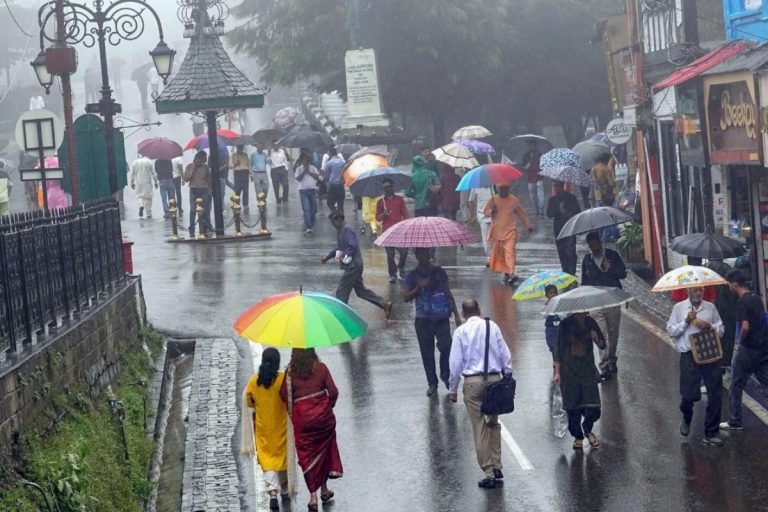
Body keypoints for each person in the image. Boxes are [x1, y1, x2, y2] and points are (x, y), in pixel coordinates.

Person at [448, 299, 512, 489]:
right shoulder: (492, 326)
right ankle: (498, 465)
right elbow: (504, 354)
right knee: (493, 423)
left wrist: (453, 389)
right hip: (495, 381)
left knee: (479, 427)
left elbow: (455, 364)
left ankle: (488, 472)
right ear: (479, 310)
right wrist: (507, 375)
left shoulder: (460, 332)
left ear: (463, 313)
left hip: (472, 384)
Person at [279, 349, 342, 511]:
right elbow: (333, 392)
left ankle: (313, 496)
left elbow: (283, 395)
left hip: (302, 422)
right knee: (323, 451)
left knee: (308, 456)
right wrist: (328, 406)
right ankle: (324, 489)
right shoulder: (321, 368)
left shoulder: (290, 374)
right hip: (323, 419)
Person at [666, 286, 725, 446]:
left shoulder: (710, 308)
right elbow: (671, 331)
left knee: (715, 393)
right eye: (695, 291)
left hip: (709, 353)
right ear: (688, 292)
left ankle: (711, 432)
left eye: (700, 290)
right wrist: (685, 321)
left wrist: (710, 326)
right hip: (689, 355)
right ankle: (686, 417)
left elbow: (721, 329)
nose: (698, 293)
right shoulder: (679, 308)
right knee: (689, 395)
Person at [404, 247, 462, 396]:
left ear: (430, 253)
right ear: (416, 255)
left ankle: (445, 374)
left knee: (447, 347)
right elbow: (406, 297)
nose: (424, 255)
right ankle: (432, 383)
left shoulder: (439, 271)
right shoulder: (412, 275)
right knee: (427, 353)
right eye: (421, 253)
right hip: (423, 319)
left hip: (441, 317)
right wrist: (419, 287)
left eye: (426, 252)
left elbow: (448, 292)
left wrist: (456, 314)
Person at [243, 348, 293, 510]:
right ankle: (284, 488)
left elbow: (250, 403)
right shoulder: (282, 380)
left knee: (267, 459)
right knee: (282, 457)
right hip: (281, 426)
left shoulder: (254, 381)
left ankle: (272, 492)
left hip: (263, 428)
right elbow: (290, 399)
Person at [721, 269, 768, 431]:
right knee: (766, 384)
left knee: (736, 385)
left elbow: (745, 327)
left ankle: (735, 421)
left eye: (729, 284)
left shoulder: (742, 302)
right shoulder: (757, 298)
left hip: (747, 350)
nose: (729, 287)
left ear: (734, 284)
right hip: (762, 349)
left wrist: (739, 343)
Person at [321, 211, 393, 318]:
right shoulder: (340, 231)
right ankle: (384, 304)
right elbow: (339, 248)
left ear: (339, 220)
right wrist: (327, 257)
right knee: (360, 291)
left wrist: (347, 255)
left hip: (353, 266)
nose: (333, 225)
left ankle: (341, 316)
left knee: (341, 291)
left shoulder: (347, 230)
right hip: (353, 266)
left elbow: (352, 245)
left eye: (333, 222)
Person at [552, 312, 606, 450]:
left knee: (593, 407)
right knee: (573, 407)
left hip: (587, 369)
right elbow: (557, 349)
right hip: (569, 371)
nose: (582, 313)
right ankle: (578, 436)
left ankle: (587, 429)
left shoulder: (590, 322)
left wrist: (596, 338)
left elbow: (602, 345)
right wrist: (557, 372)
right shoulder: (565, 325)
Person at [581, 231, 627, 380]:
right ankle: (605, 364)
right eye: (590, 245)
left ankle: (612, 358)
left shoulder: (612, 255)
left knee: (613, 334)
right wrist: (586, 305)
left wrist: (611, 268)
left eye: (594, 244)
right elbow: (585, 282)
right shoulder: (587, 260)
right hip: (595, 302)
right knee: (601, 334)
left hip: (612, 299)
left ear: (600, 242)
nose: (593, 248)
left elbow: (623, 274)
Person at [483, 183, 533, 284]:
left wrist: (528, 226)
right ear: (498, 189)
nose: (504, 191)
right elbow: (485, 212)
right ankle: (507, 272)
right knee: (502, 254)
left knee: (510, 252)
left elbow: (521, 213)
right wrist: (492, 211)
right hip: (497, 233)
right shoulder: (494, 200)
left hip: (510, 232)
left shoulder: (513, 200)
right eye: (502, 189)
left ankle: (511, 273)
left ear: (509, 189)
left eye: (506, 189)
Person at [376, 178, 409, 283]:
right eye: (385, 188)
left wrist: (407, 225)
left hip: (399, 230)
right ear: (383, 189)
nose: (388, 189)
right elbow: (377, 217)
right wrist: (383, 214)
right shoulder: (381, 202)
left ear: (392, 187)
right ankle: (392, 274)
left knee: (404, 251)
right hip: (387, 231)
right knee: (390, 255)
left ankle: (401, 266)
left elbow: (405, 214)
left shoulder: (399, 200)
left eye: (389, 187)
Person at [546, 181, 581, 275]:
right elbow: (549, 214)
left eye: (557, 186)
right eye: (554, 186)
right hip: (558, 230)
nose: (556, 188)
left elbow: (577, 212)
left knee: (570, 252)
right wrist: (558, 209)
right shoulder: (552, 199)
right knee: (562, 253)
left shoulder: (571, 198)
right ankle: (565, 272)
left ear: (562, 186)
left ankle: (572, 273)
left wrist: (565, 211)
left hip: (570, 229)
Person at [184, 151, 213, 237]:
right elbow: (186, 179)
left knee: (205, 210)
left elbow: (209, 179)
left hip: (204, 190)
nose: (201, 161)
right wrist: (193, 169)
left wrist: (210, 190)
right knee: (193, 210)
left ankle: (206, 227)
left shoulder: (205, 167)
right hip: (193, 190)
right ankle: (192, 228)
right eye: (200, 159)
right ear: (196, 159)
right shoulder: (189, 166)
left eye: (202, 160)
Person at [295, 153, 321, 233]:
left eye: (307, 160)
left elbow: (317, 177)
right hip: (303, 191)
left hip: (312, 190)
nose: (306, 162)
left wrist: (309, 172)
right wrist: (304, 172)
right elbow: (298, 179)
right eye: (304, 160)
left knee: (313, 210)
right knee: (306, 209)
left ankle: (311, 223)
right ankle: (308, 226)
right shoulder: (299, 169)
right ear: (302, 161)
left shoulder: (313, 168)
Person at [468, 186, 494, 259]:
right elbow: (471, 201)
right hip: (482, 216)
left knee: (495, 237)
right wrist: (472, 216)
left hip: (494, 215)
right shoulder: (475, 187)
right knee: (486, 238)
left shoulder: (492, 186)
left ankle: (494, 255)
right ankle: (489, 256)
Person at [522, 140, 544, 217]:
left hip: (539, 177)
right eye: (530, 146)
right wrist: (526, 166)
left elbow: (543, 166)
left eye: (533, 145)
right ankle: (537, 210)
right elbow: (523, 166)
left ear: (536, 146)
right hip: (530, 178)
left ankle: (541, 211)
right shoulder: (526, 156)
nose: (532, 147)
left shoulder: (540, 155)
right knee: (533, 196)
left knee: (540, 195)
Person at [269, 140, 292, 205]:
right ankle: (278, 200)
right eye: (274, 145)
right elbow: (268, 162)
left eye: (276, 144)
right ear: (272, 146)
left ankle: (285, 199)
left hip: (282, 168)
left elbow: (287, 159)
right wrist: (269, 158)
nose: (275, 146)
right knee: (276, 186)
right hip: (274, 170)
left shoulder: (282, 151)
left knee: (286, 184)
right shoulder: (270, 152)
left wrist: (286, 169)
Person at [230, 144, 252, 210]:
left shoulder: (245, 155)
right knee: (238, 189)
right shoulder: (233, 155)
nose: (241, 149)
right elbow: (230, 166)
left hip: (245, 173)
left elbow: (248, 165)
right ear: (237, 148)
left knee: (246, 189)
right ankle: (237, 203)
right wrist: (235, 164)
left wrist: (251, 174)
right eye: (239, 147)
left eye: (242, 147)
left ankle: (245, 204)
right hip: (237, 173)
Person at [544, 284, 561, 356]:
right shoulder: (546, 306)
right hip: (551, 332)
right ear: (547, 296)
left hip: (560, 330)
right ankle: (556, 364)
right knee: (555, 351)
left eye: (555, 292)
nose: (553, 294)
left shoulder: (561, 304)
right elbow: (545, 315)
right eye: (551, 293)